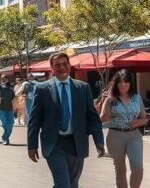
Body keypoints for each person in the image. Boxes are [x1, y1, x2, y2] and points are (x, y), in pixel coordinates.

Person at [27, 52, 104, 188]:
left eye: (64, 64)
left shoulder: (82, 88)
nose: (61, 67)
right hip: (54, 143)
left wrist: (99, 141)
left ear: (69, 65)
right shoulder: (42, 89)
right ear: (52, 68)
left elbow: (92, 117)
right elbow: (34, 119)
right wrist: (32, 145)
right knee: (63, 184)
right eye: (57, 65)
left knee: (73, 184)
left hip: (76, 142)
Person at [99, 69, 147, 188]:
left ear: (130, 83)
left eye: (126, 82)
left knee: (138, 168)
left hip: (134, 135)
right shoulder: (111, 99)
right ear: (115, 84)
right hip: (115, 135)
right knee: (120, 170)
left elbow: (145, 118)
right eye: (119, 82)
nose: (123, 85)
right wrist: (104, 101)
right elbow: (103, 119)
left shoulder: (136, 97)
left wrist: (138, 121)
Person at [0, 74, 16, 145]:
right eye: (2, 78)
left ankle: (4, 137)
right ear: (0, 80)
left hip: (10, 109)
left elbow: (14, 97)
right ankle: (5, 139)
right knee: (4, 124)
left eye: (5, 78)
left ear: (7, 80)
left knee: (11, 123)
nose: (4, 79)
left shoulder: (11, 88)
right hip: (0, 109)